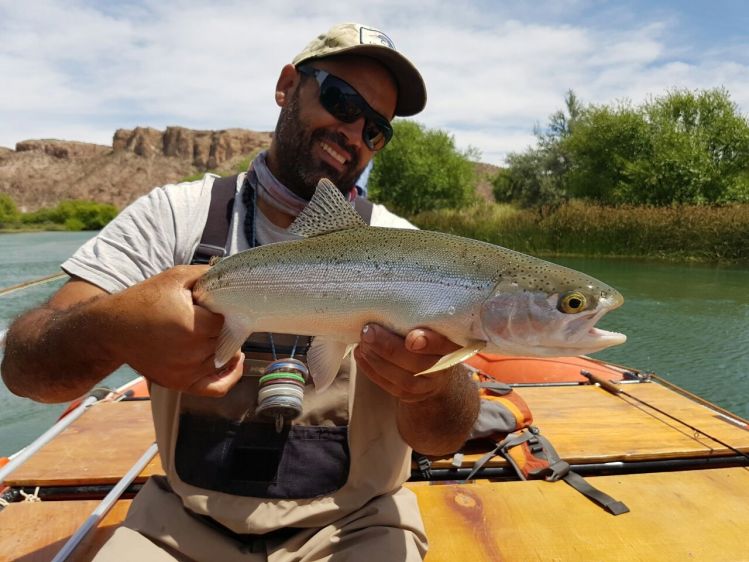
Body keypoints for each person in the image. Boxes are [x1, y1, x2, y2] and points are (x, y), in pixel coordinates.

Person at [1, 22, 479, 561]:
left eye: (376, 130)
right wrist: (115, 326)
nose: (354, 134)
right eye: (342, 101)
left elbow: (444, 439)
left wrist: (432, 387)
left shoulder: (409, 251)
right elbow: (24, 371)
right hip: (181, 525)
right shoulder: (171, 220)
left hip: (357, 528)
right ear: (286, 87)